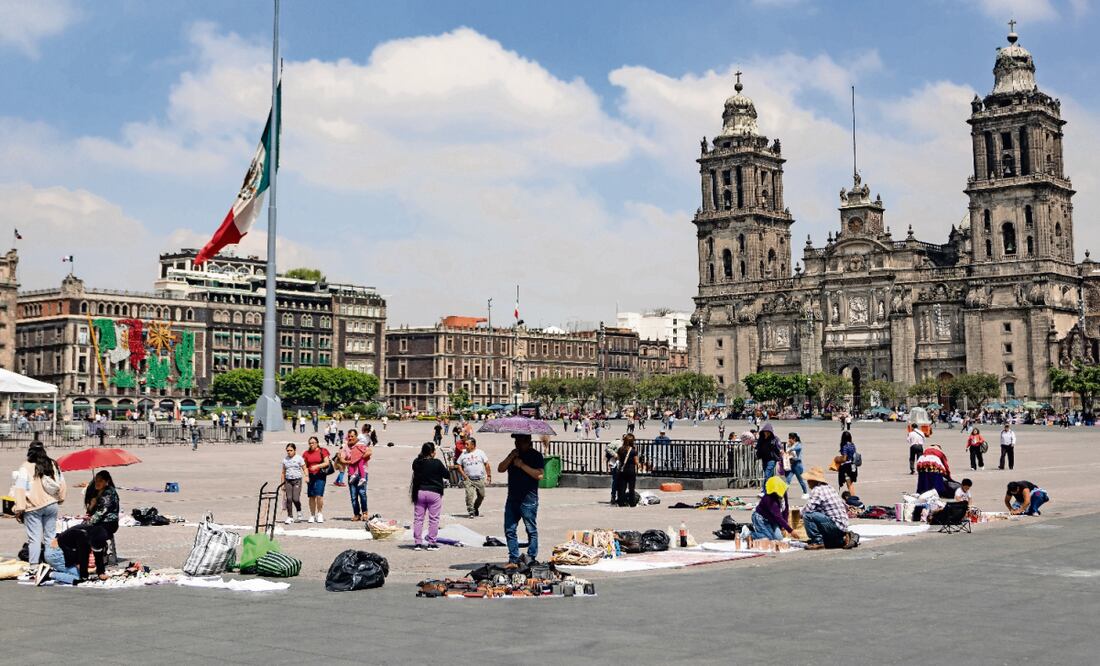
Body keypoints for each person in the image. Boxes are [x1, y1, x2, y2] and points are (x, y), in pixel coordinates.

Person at [13, 442, 66, 568]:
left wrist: (19, 508)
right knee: (50, 536)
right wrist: (61, 499)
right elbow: (62, 483)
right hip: (51, 504)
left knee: (34, 538)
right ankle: (51, 563)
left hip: (33, 507)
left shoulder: (25, 467)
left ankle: (34, 566)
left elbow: (20, 489)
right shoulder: (52, 464)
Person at [498, 434, 544, 567]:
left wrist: (522, 465)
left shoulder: (535, 456)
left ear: (528, 442)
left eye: (520, 441)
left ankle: (531, 556)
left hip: (528, 498)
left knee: (531, 529)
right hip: (512, 497)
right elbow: (500, 469)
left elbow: (539, 475)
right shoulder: (513, 454)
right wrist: (511, 457)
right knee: (509, 529)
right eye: (516, 441)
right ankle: (513, 558)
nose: (517, 444)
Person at [410, 442, 449, 550]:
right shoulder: (437, 463)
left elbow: (415, 470)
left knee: (418, 519)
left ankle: (417, 543)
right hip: (434, 492)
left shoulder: (417, 462)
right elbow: (447, 475)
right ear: (432, 453)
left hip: (420, 492)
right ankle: (432, 543)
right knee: (434, 519)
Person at [801, 466, 849, 550]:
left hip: (835, 525)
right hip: (843, 525)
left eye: (809, 480)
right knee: (829, 542)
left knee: (808, 515)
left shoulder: (817, 490)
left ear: (813, 481)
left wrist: (799, 513)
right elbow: (845, 507)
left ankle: (817, 541)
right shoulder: (830, 488)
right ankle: (841, 539)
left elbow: (808, 510)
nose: (808, 483)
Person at [84, 470, 119, 579]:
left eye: (100, 481)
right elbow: (90, 511)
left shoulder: (109, 492)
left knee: (94, 535)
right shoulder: (97, 492)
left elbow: (102, 511)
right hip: (99, 521)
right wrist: (92, 503)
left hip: (109, 523)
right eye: (96, 481)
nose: (97, 483)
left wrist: (88, 523)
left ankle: (99, 568)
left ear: (107, 481)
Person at [454, 437, 491, 517]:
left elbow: (486, 464)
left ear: (473, 445)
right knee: (469, 496)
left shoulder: (480, 452)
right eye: (465, 444)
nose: (465, 446)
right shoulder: (463, 454)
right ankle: (471, 511)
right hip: (468, 479)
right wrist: (464, 475)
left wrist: (489, 476)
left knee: (481, 496)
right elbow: (459, 465)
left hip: (479, 479)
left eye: (467, 444)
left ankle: (475, 507)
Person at [340, 430, 371, 521]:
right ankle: (356, 514)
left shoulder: (361, 444)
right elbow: (342, 459)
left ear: (356, 436)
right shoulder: (346, 447)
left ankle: (365, 513)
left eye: (352, 436)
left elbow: (369, 452)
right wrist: (349, 461)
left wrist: (357, 458)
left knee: (362, 493)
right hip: (351, 474)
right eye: (349, 436)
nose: (350, 438)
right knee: (353, 496)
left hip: (362, 473)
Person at [751, 476, 793, 541]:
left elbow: (786, 509)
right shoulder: (769, 499)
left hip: (771, 519)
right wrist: (791, 530)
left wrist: (784, 524)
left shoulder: (783, 492)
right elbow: (778, 517)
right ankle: (749, 534)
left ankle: (762, 532)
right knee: (768, 538)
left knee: (778, 538)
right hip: (760, 519)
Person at [301, 436, 331, 523]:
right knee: (311, 496)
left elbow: (326, 463)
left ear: (317, 443)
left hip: (320, 475)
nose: (311, 444)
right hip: (311, 476)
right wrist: (306, 476)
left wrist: (317, 466)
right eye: (310, 443)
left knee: (319, 495)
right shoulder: (306, 453)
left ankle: (320, 513)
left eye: (313, 442)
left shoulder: (323, 451)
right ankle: (312, 514)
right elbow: (305, 466)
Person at [280, 443, 305, 523]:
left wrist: (307, 476)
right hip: (288, 481)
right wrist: (282, 484)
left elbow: (304, 468)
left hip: (297, 480)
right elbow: (283, 472)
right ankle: (290, 516)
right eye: (287, 451)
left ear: (295, 450)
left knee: (295, 498)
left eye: (291, 450)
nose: (289, 452)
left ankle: (299, 512)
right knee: (289, 499)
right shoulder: (285, 460)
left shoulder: (299, 458)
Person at [616, 434, 641, 507]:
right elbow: (636, 462)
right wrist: (639, 465)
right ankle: (632, 503)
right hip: (631, 470)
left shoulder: (620, 449)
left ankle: (621, 502)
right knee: (631, 487)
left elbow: (618, 459)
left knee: (622, 487)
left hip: (622, 470)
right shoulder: (633, 451)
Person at [756, 424, 783, 489]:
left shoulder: (775, 439)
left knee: (767, 474)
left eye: (768, 432)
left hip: (772, 459)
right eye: (765, 431)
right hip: (764, 459)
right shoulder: (761, 439)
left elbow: (779, 447)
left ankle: (764, 490)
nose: (766, 433)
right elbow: (758, 447)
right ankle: (771, 490)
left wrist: (781, 453)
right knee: (769, 475)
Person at [785, 432, 808, 498]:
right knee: (788, 479)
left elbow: (798, 448)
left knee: (800, 480)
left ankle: (805, 493)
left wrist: (791, 449)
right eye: (788, 438)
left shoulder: (798, 444)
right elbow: (786, 451)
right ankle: (784, 493)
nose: (789, 439)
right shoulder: (789, 445)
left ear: (794, 439)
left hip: (798, 465)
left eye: (790, 438)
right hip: (791, 464)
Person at [838, 431, 858, 495]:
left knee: (849, 484)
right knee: (851, 483)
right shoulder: (852, 445)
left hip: (847, 467)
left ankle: (853, 498)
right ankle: (853, 496)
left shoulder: (845, 446)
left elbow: (844, 458)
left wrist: (838, 459)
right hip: (853, 465)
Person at [605, 436, 623, 504]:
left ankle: (620, 496)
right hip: (616, 464)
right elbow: (608, 448)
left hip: (623, 464)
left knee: (621, 481)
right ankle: (613, 496)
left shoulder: (629, 444)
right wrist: (615, 455)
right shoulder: (617, 442)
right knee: (615, 480)